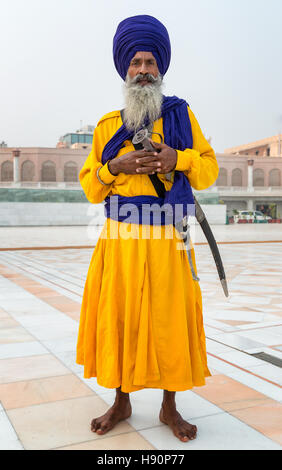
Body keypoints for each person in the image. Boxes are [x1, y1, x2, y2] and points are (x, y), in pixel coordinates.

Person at [76, 14, 219, 443]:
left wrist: (180, 159)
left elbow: (209, 169)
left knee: (169, 322)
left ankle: (169, 406)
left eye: (150, 62)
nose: (143, 70)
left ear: (161, 68)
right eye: (136, 62)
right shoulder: (106, 127)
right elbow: (89, 188)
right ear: (125, 69)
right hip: (120, 244)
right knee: (121, 321)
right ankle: (121, 401)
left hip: (169, 240)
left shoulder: (180, 117)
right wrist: (110, 167)